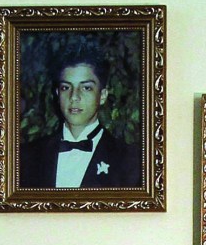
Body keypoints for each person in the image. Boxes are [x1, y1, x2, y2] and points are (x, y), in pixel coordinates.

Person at [19, 40, 141, 189]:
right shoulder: (26, 157)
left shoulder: (132, 162)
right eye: (66, 87)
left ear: (102, 95)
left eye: (86, 88)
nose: (74, 97)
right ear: (57, 94)